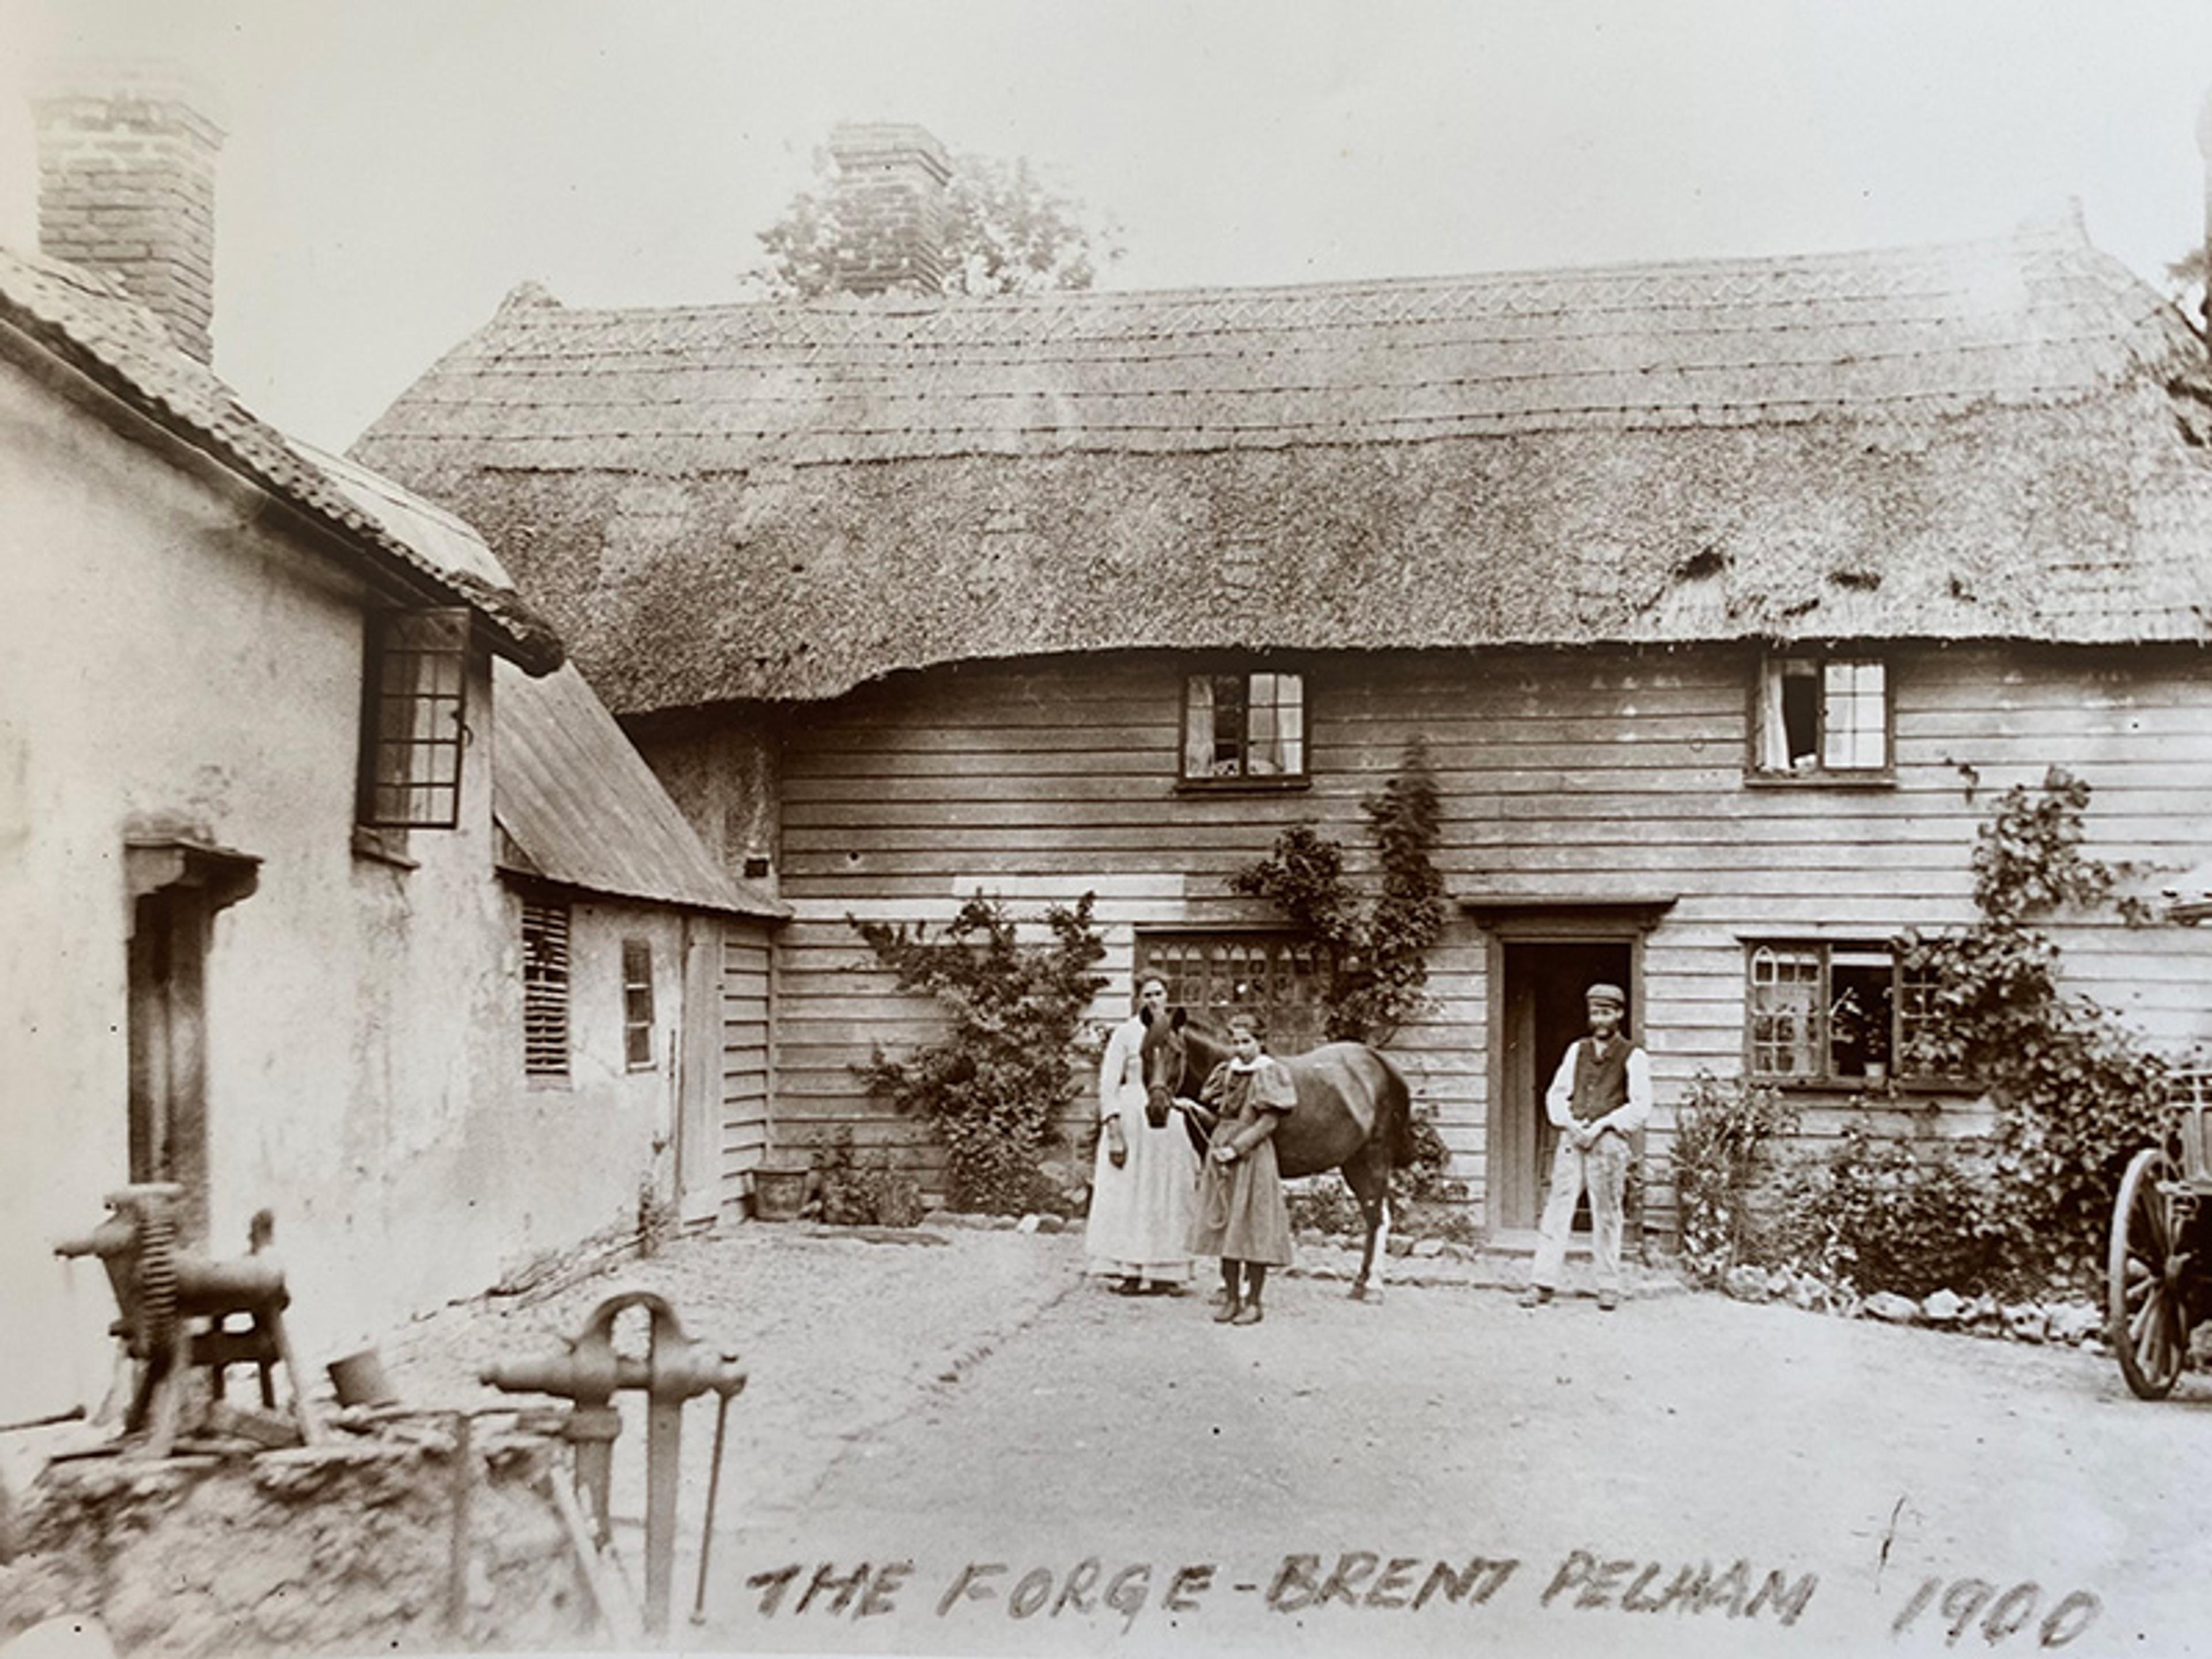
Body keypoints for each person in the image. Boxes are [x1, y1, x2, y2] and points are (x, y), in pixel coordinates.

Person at [1520, 982, 1652, 1312]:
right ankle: (1542, 1282)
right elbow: (1556, 1093)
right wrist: (1570, 1123)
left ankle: (1608, 1285)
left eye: (1607, 1012)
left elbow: (1640, 1105)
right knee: (1557, 1208)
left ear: (1619, 1014)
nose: (1600, 1019)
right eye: (1595, 1012)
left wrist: (1603, 1125)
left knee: (1607, 1213)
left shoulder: (1633, 1056)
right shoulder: (1576, 1051)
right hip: (1574, 1138)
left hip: (1608, 1142)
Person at [1084, 976, 1198, 1295]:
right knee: (1131, 1195)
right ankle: (1129, 1270)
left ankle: (1168, 1271)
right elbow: (1109, 1082)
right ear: (1138, 999)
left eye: (1158, 993)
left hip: (1167, 1119)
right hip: (1133, 1115)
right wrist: (1114, 1126)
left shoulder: (1179, 1032)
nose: (1153, 999)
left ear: (1167, 995)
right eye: (1146, 994)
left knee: (1168, 1192)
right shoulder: (1126, 1033)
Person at [1185, 1010, 1296, 1325]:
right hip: (1221, 1154)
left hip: (1252, 1156)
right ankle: (1231, 1297)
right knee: (1226, 1225)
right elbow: (1220, 1120)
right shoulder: (1227, 1072)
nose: (1240, 1048)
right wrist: (1194, 1109)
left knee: (1254, 1226)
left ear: (1261, 1042)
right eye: (1235, 1042)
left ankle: (1254, 1301)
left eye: (1247, 1041)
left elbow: (1269, 1122)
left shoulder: (1269, 1072)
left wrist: (1237, 1148)